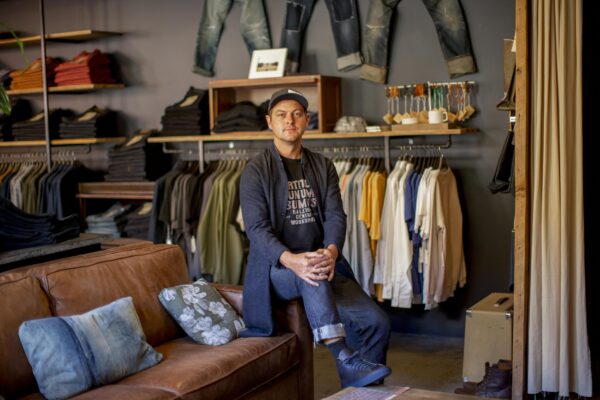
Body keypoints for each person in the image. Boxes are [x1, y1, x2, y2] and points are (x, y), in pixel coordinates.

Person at [239, 88, 392, 388]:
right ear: (270, 122)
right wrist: (292, 260)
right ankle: (344, 357)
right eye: (281, 115)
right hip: (276, 269)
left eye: (297, 114)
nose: (290, 120)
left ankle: (365, 390)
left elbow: (336, 216)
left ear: (306, 120)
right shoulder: (255, 171)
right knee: (312, 275)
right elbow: (256, 229)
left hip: (322, 261)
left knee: (377, 322)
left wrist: (331, 252)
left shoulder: (323, 165)